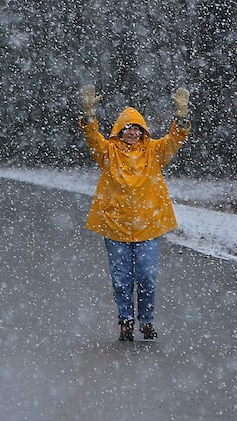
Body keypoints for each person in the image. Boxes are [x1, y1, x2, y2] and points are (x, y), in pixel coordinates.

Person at [78, 84, 191, 341]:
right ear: (119, 131)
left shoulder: (155, 152)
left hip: (148, 226)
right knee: (121, 279)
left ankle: (147, 321)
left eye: (137, 128)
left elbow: (176, 139)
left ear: (143, 132)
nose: (132, 132)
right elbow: (92, 138)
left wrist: (181, 117)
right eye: (127, 128)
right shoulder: (107, 152)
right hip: (115, 225)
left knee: (147, 276)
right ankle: (126, 321)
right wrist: (88, 115)